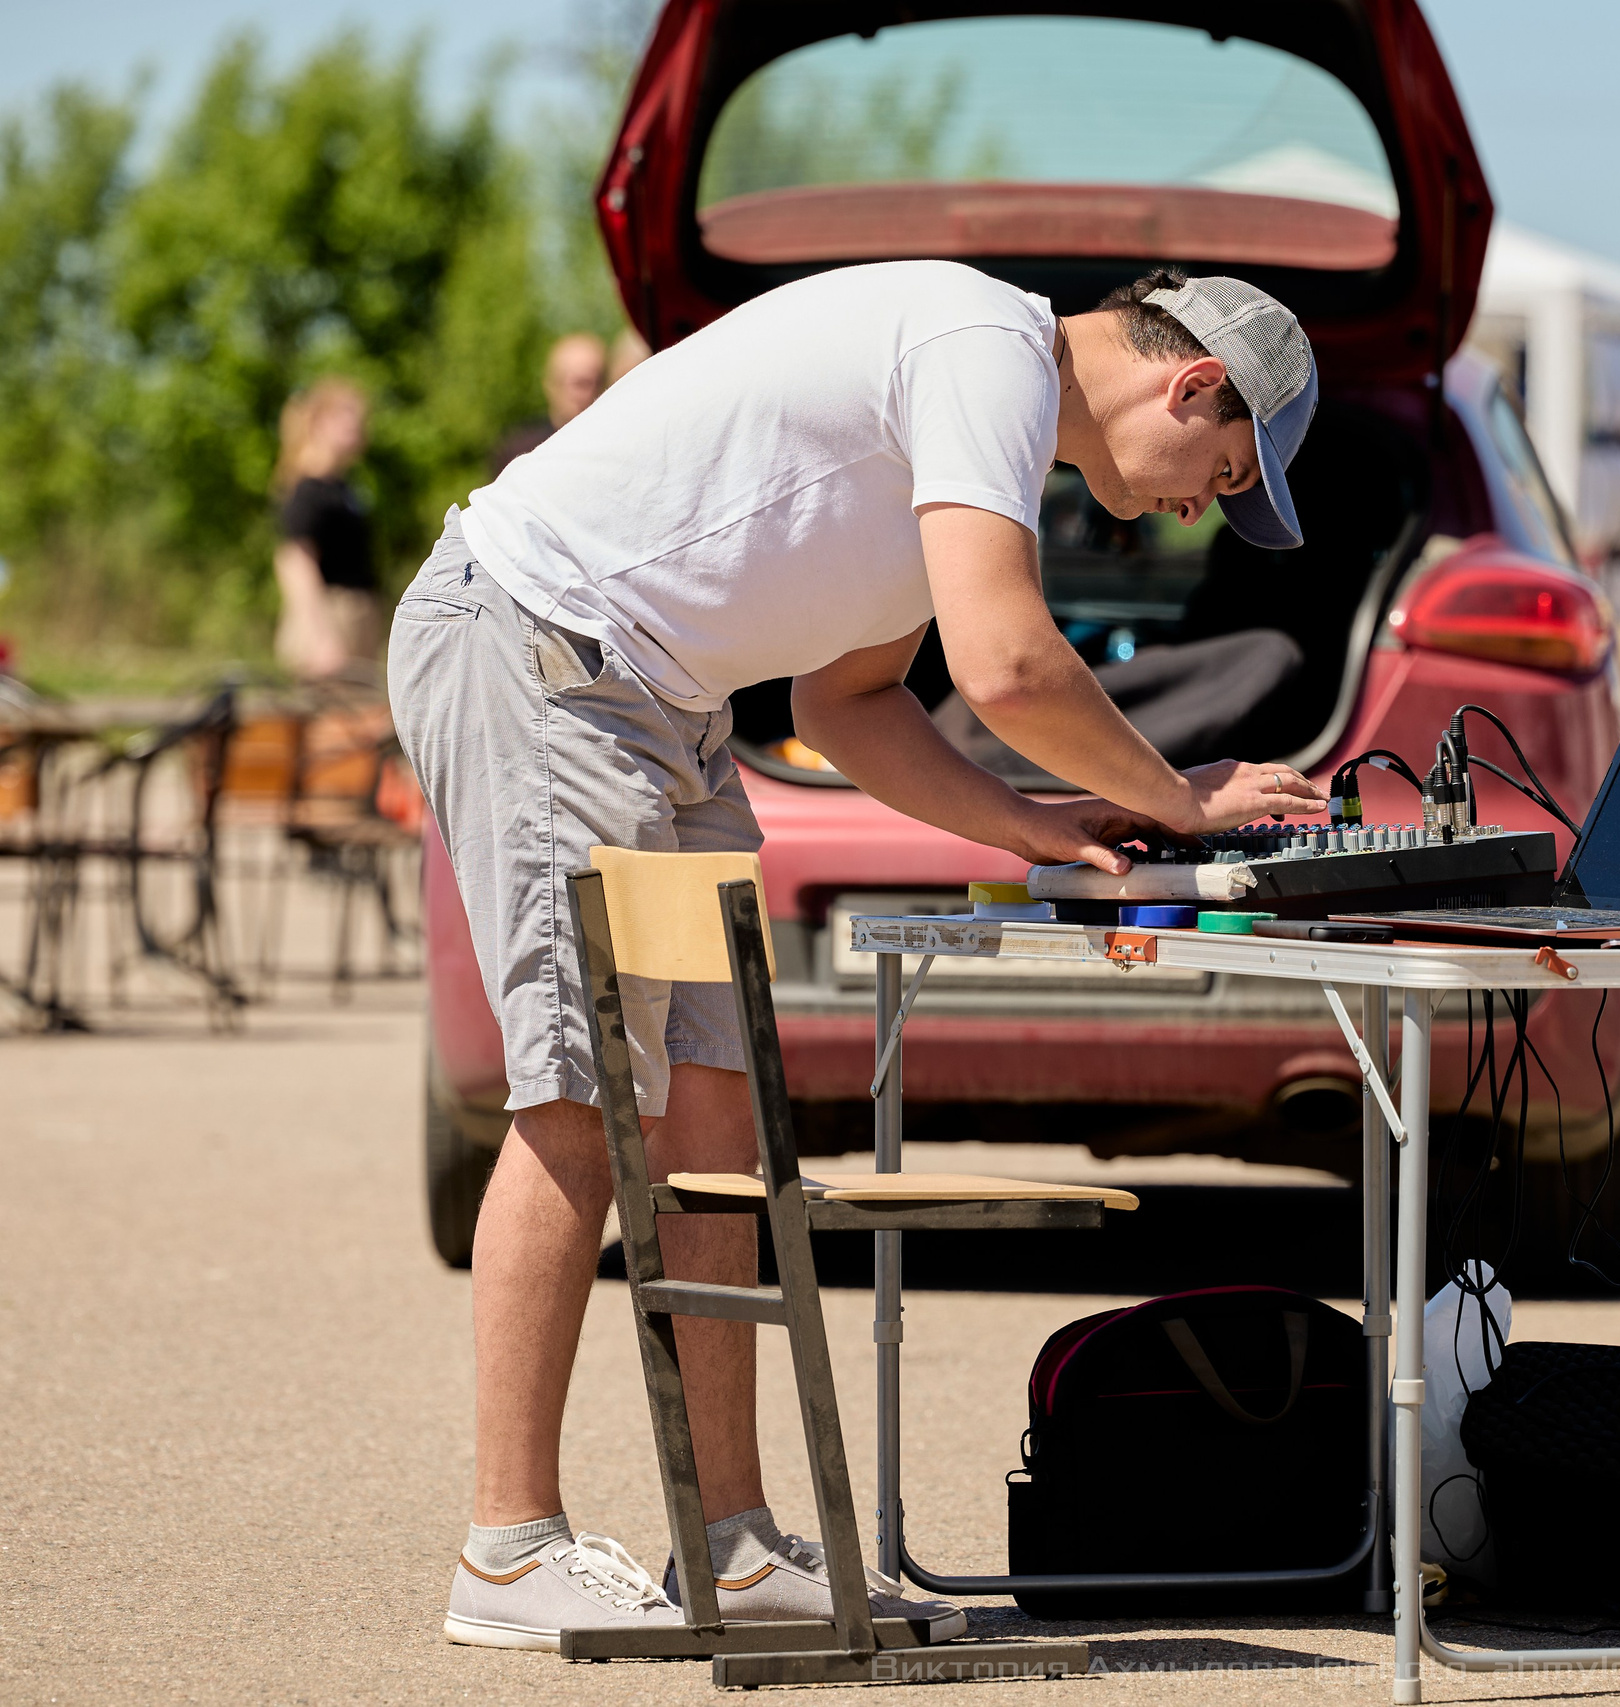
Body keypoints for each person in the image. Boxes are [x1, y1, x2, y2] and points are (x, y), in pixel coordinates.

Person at [389, 261, 1324, 1652]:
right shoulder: (984, 350)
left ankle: (737, 1544)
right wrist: (1182, 799)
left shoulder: (986, 421)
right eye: (1223, 471)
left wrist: (1039, 823)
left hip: (659, 703)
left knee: (712, 1111)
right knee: (584, 1098)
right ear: (1192, 385)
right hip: (540, 645)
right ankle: (507, 1544)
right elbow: (1007, 663)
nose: (1203, 507)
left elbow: (853, 697)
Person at [272, 377, 377, 683]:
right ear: (319, 422)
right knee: (325, 726)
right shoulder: (308, 489)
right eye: (348, 417)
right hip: (327, 617)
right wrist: (321, 639)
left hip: (353, 618)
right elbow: (294, 563)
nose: (358, 427)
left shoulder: (343, 487)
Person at [490, 333, 611, 476]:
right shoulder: (521, 452)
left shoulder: (611, 447)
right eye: (581, 384)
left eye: (599, 382)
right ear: (552, 385)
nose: (591, 393)